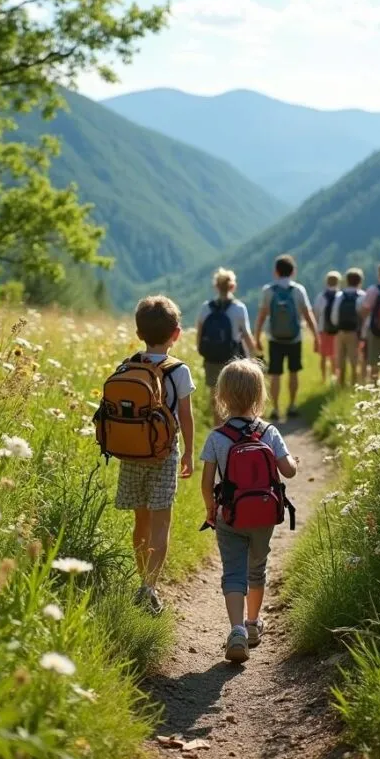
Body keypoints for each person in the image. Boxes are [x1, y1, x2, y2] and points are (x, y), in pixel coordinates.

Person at [200, 359, 297, 663]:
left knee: (233, 571)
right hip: (264, 516)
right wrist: (295, 462)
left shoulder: (217, 437)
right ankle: (254, 624)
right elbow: (289, 471)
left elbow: (206, 482)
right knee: (257, 568)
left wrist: (210, 508)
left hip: (229, 515)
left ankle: (237, 630)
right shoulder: (269, 432)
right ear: (259, 395)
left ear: (223, 397)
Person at [113, 296, 195, 615]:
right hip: (163, 454)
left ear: (138, 333)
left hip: (132, 453)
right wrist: (188, 452)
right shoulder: (179, 371)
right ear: (176, 333)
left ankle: (141, 580)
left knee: (141, 520)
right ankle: (150, 587)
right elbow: (185, 416)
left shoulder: (126, 365)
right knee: (162, 523)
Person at [253, 254, 318, 421]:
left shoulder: (268, 290)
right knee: (293, 372)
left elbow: (261, 315)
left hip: (275, 338)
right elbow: (307, 314)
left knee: (275, 373)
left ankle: (275, 409)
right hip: (294, 338)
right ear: (293, 271)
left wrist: (257, 336)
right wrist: (316, 336)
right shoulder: (298, 290)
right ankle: (292, 405)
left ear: (276, 271)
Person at [197, 268, 257, 423]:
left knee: (215, 394)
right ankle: (236, 428)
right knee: (237, 394)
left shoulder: (206, 307)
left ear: (216, 286)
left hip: (211, 357)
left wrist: (203, 351)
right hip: (233, 357)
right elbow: (246, 335)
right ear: (233, 287)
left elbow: (200, 333)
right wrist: (255, 355)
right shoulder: (239, 308)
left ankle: (218, 429)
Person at [331, 267, 366, 388]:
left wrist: (337, 326)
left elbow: (334, 315)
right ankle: (354, 384)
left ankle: (341, 384)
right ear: (360, 281)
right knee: (354, 360)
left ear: (347, 281)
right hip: (355, 333)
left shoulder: (340, 295)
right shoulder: (362, 296)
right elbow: (365, 317)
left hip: (340, 331)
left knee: (340, 359)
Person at [312, 270, 341, 384]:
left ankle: (324, 378)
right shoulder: (341, 296)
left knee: (323, 356)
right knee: (334, 355)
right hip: (337, 330)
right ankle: (334, 377)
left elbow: (316, 313)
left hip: (323, 329)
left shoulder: (321, 296)